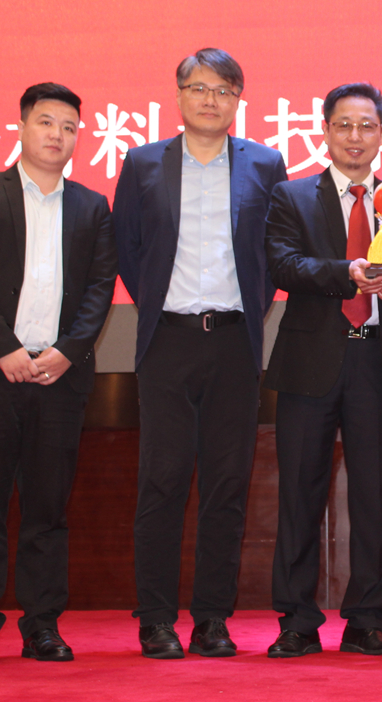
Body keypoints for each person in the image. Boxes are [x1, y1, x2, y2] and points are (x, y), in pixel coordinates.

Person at [112, 48, 287, 659]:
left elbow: (274, 253)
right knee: (161, 482)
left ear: (238, 100)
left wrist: (248, 309)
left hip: (235, 343)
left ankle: (212, 618)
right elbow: (128, 248)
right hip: (168, 341)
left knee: (225, 485)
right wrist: (164, 305)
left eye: (224, 90)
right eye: (199, 88)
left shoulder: (265, 164)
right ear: (179, 95)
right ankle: (156, 618)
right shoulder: (143, 163)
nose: (211, 99)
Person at [0, 82, 118, 664]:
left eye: (69, 128)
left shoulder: (92, 206)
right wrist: (5, 348)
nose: (57, 136)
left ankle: (42, 625)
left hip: (59, 380)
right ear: (21, 128)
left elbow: (100, 287)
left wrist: (68, 351)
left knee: (48, 510)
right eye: (46, 123)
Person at [263, 83, 382, 658]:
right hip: (310, 362)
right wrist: (346, 272)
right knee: (299, 495)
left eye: (367, 126)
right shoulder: (291, 195)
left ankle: (366, 620)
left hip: (376, 359)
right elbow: (283, 264)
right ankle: (297, 622)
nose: (356, 136)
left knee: (374, 497)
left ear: (381, 134)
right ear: (325, 130)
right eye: (345, 125)